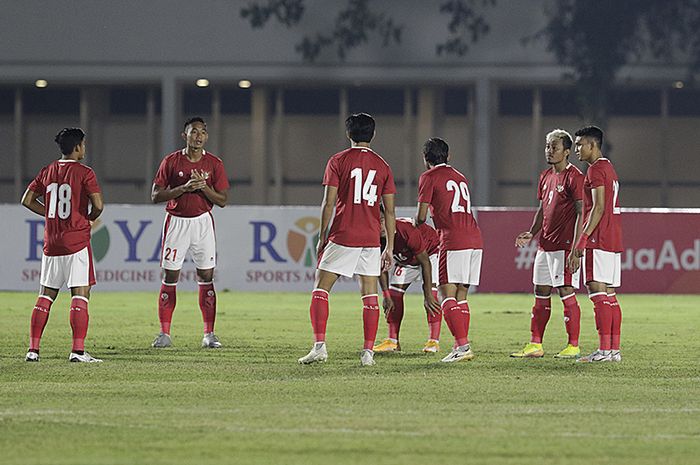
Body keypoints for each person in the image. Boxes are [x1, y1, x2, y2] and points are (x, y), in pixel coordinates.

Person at [298, 113, 397, 367]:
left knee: (321, 288)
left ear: (348, 134)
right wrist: (390, 248)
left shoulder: (338, 160)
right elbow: (390, 211)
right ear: (372, 135)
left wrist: (322, 237)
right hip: (371, 239)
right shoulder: (383, 165)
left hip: (344, 234)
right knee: (369, 296)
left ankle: (319, 346)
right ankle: (367, 353)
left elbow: (328, 202)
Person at [21, 127, 104, 363]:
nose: (84, 149)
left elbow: (27, 200)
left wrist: (50, 214)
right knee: (81, 292)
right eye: (83, 145)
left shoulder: (47, 171)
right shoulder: (85, 173)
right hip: (76, 241)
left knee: (46, 294)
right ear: (77, 147)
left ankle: (33, 350)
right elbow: (98, 205)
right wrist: (88, 216)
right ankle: (78, 351)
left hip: (52, 242)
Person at [151, 117, 229, 349]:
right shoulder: (171, 162)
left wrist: (204, 187)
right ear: (184, 135)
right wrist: (183, 189)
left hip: (203, 224)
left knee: (206, 277)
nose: (199, 136)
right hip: (176, 223)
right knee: (170, 277)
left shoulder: (214, 164)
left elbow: (223, 200)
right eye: (194, 132)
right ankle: (164, 334)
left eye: (203, 132)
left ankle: (209, 334)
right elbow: (156, 195)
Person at [511, 129, 585, 359]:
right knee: (540, 291)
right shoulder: (545, 176)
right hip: (545, 245)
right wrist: (532, 233)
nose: (550, 150)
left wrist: (576, 248)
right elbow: (543, 210)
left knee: (565, 291)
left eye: (554, 147)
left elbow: (582, 213)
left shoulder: (575, 177)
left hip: (564, 247)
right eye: (547, 146)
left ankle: (573, 345)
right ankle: (536, 345)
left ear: (567, 151)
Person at [416, 137, 482, 363]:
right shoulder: (460, 176)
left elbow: (421, 216)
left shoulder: (428, 177)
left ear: (426, 160)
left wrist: (417, 224)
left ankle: (462, 346)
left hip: (453, 238)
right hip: (475, 237)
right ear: (448, 156)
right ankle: (459, 344)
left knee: (445, 294)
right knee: (461, 296)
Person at [569, 126, 623, 363]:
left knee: (596, 293)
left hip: (598, 239)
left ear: (593, 145)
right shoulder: (609, 167)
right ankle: (613, 350)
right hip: (612, 238)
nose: (576, 149)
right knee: (610, 296)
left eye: (580, 144)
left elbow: (598, 207)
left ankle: (603, 351)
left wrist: (583, 238)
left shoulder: (595, 170)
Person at [373, 215, 442, 353]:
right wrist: (386, 295)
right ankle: (393, 342)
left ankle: (433, 342)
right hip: (408, 260)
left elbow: (425, 262)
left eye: (381, 220)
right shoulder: (374, 235)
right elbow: (380, 267)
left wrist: (427, 294)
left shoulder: (406, 230)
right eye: (376, 220)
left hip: (429, 254)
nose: (379, 225)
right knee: (393, 295)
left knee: (432, 296)